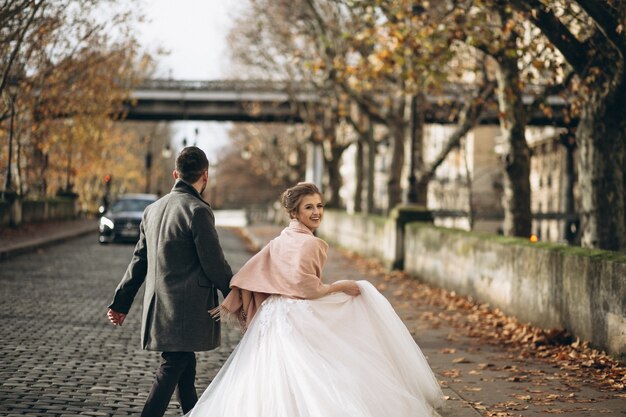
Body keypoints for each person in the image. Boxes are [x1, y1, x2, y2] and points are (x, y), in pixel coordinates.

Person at [186, 182, 444, 417]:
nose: (316, 212)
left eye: (319, 206)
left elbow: (256, 271)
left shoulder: (281, 239)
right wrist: (340, 286)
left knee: (271, 375)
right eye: (308, 207)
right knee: (319, 360)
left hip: (273, 314)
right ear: (295, 213)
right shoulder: (311, 244)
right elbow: (307, 288)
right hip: (294, 316)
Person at [107, 146, 233, 417]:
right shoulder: (197, 210)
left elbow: (139, 261)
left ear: (175, 173)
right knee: (173, 365)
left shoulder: (152, 209)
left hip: (160, 306)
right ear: (205, 175)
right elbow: (213, 263)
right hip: (186, 310)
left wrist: (121, 302)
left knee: (184, 366)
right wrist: (234, 293)